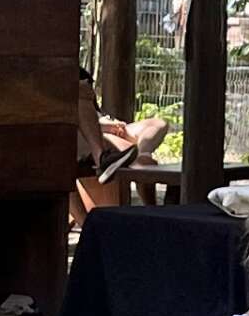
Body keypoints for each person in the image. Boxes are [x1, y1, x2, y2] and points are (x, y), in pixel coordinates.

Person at [70, 76, 172, 222]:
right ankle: (135, 160)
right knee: (142, 162)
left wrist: (112, 123)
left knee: (157, 123)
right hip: (94, 133)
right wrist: (104, 127)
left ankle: (142, 152)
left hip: (106, 126)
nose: (88, 85)